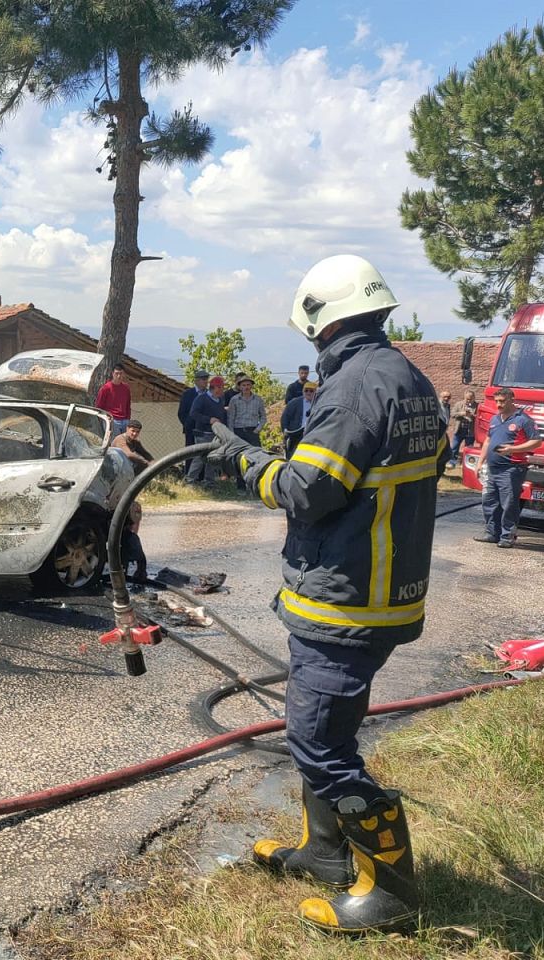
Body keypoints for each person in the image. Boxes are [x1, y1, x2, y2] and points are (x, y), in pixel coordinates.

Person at [209, 254, 443, 933]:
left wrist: (246, 461)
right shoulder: (408, 378)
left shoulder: (354, 387)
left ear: (321, 320)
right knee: (323, 730)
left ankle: (393, 893)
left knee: (318, 743)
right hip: (378, 590)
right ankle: (325, 853)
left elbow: (308, 491)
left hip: (348, 598)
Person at [473, 386, 540, 548]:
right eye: (496, 401)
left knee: (509, 503)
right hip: (492, 468)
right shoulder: (495, 419)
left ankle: (507, 536)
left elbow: (537, 441)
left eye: (502, 401)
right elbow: (488, 441)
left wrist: (512, 449)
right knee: (489, 501)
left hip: (512, 468)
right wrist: (480, 462)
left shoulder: (523, 420)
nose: (498, 405)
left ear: (512, 400)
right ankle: (492, 533)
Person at [226, 374, 266, 490]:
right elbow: (231, 418)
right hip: (238, 431)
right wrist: (232, 434)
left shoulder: (258, 400)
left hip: (252, 431)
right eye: (244, 385)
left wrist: (257, 429)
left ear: (252, 386)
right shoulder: (234, 400)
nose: (246, 387)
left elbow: (263, 417)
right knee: (239, 459)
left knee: (257, 458)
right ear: (240, 387)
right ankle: (241, 486)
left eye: (248, 385)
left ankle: (255, 485)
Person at [185, 375, 227, 483]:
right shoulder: (201, 398)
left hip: (216, 434)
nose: (222, 390)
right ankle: (189, 480)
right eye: (221, 388)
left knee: (212, 458)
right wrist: (209, 420)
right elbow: (193, 414)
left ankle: (209, 482)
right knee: (200, 458)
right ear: (214, 388)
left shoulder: (220, 399)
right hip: (203, 433)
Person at [95, 362, 133, 436]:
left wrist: (128, 419)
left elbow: (128, 405)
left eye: (121, 373)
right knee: (114, 444)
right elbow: (99, 406)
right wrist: (105, 419)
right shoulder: (106, 388)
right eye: (116, 373)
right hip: (112, 420)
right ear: (112, 373)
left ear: (124, 374)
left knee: (124, 444)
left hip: (125, 421)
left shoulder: (126, 388)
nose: (119, 376)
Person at [280, 381, 316, 458]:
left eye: (311, 390)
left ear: (316, 392)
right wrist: (285, 432)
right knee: (293, 457)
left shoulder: (319, 404)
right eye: (306, 390)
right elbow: (285, 417)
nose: (308, 392)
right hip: (296, 434)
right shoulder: (294, 402)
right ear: (303, 391)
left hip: (312, 435)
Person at [177, 370, 209, 450]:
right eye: (203, 379)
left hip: (205, 431)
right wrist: (187, 424)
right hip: (191, 430)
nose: (206, 382)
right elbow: (181, 412)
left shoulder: (209, 394)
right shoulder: (187, 394)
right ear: (197, 381)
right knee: (190, 453)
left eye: (206, 379)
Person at [449, 389, 478, 468]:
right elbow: (452, 414)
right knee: (455, 447)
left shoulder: (477, 406)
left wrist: (473, 415)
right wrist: (461, 413)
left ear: (474, 398)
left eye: (470, 399)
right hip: (459, 429)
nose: (468, 401)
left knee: (468, 448)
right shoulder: (459, 404)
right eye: (467, 399)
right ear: (464, 397)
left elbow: (480, 417)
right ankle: (452, 462)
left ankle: (465, 464)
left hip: (470, 430)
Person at [121, 499, 148, 582]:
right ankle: (125, 574)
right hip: (123, 534)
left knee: (127, 552)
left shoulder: (133, 507)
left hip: (125, 535)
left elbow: (135, 524)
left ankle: (139, 572)